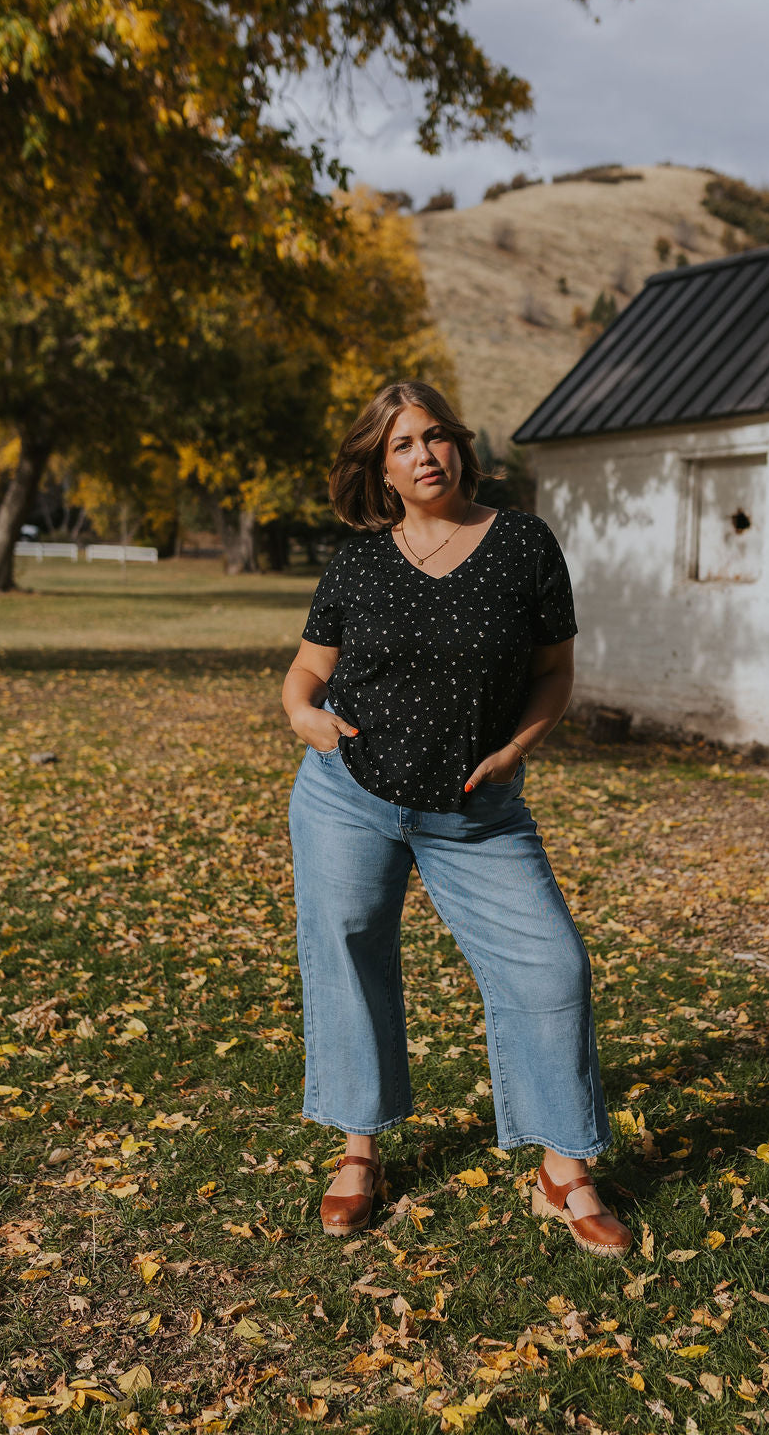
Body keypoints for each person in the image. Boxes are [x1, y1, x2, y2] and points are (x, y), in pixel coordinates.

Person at [282, 381, 631, 1258]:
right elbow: (303, 674)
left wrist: (519, 748)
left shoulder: (520, 542)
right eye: (403, 445)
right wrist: (303, 717)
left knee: (553, 967)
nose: (425, 454)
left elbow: (555, 672)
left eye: (436, 436)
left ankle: (564, 1169)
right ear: (382, 468)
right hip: (349, 796)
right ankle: (359, 1150)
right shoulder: (358, 559)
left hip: (479, 809)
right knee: (349, 956)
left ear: (461, 446)